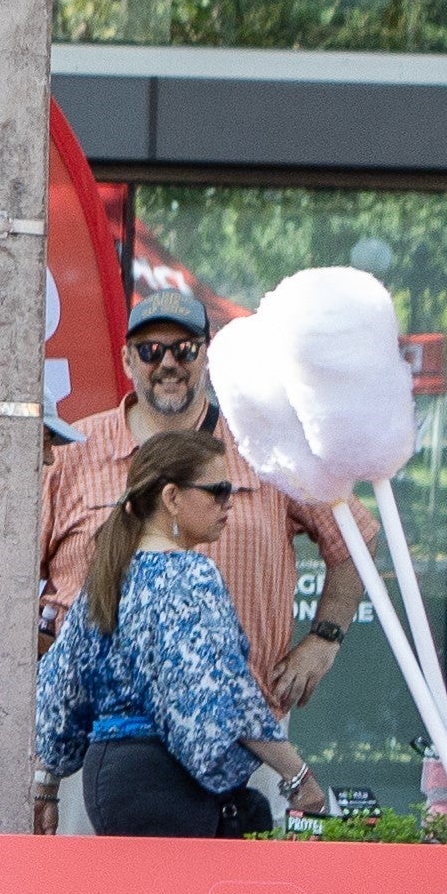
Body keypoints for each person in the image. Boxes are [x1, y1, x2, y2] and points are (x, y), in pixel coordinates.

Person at [37, 290, 361, 720]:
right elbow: (1, 583)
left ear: (206, 356)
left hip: (239, 732)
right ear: (126, 360)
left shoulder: (262, 446)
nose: (168, 363)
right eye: (150, 350)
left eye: (184, 349)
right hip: (97, 735)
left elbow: (355, 540)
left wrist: (324, 640)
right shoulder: (69, 454)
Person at [37, 431, 313, 839]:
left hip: (108, 782)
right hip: (167, 782)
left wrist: (47, 785)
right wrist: (298, 775)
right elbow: (228, 696)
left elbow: (60, 689)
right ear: (171, 498)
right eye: (218, 491)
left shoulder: (107, 578)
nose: (229, 502)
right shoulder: (191, 576)